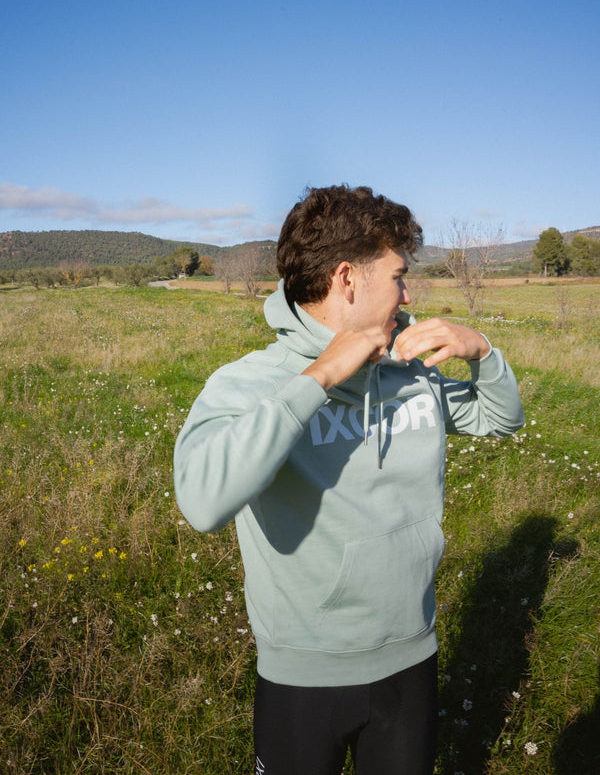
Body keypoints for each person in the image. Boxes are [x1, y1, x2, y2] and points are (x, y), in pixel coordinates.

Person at [174, 185, 525, 775]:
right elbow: (203, 503)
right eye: (398, 276)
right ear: (348, 279)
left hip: (412, 657)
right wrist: (319, 378)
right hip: (303, 674)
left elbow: (500, 419)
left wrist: (481, 352)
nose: (408, 293)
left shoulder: (412, 371)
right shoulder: (249, 383)